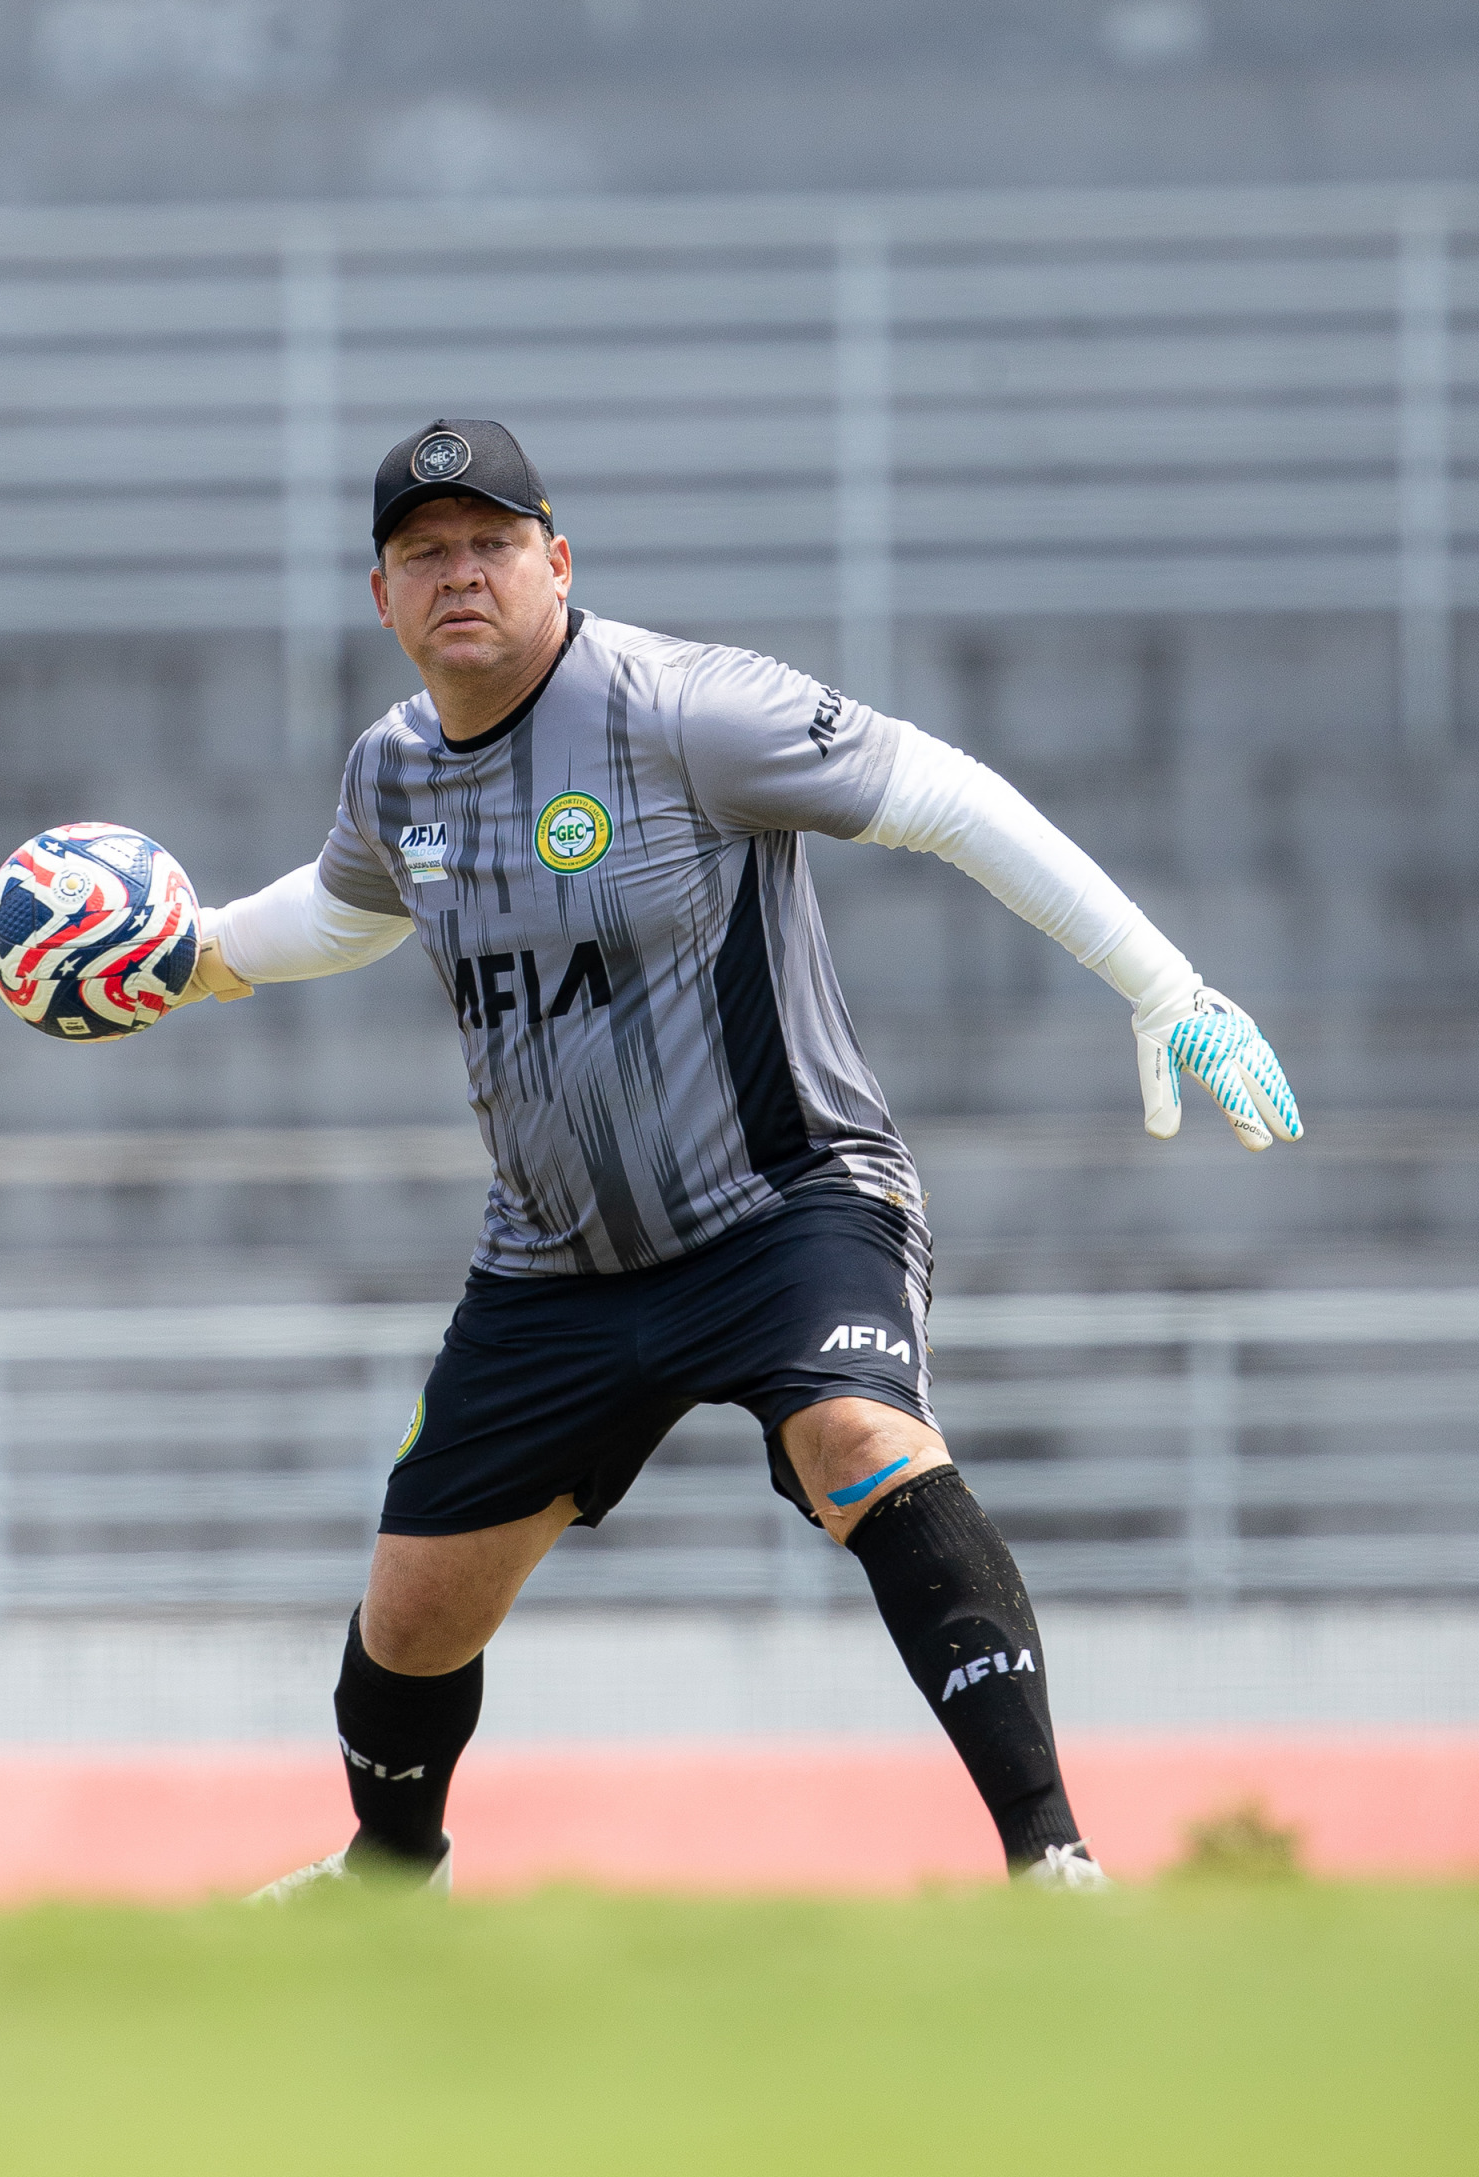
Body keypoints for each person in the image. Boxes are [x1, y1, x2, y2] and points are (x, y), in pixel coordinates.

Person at [182, 418, 1303, 1896]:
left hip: (787, 1208)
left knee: (862, 1443)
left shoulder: (685, 710)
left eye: (493, 544)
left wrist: (1167, 987)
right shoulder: (395, 775)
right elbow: (341, 913)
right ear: (382, 597)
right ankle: (391, 1885)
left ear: (557, 561)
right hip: (555, 1263)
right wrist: (182, 958)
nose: (462, 574)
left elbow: (949, 797)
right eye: (424, 554)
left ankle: (1053, 1864)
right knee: (413, 1619)